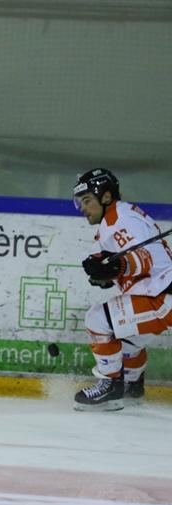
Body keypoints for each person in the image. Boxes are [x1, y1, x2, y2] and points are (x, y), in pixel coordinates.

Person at [73, 168, 172, 411]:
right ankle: (132, 385)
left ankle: (111, 386)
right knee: (126, 342)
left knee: (97, 319)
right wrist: (108, 274)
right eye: (79, 202)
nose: (83, 207)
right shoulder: (117, 218)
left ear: (106, 196)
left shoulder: (119, 218)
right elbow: (130, 260)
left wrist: (117, 266)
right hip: (160, 294)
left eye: (87, 200)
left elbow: (145, 257)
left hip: (162, 296)